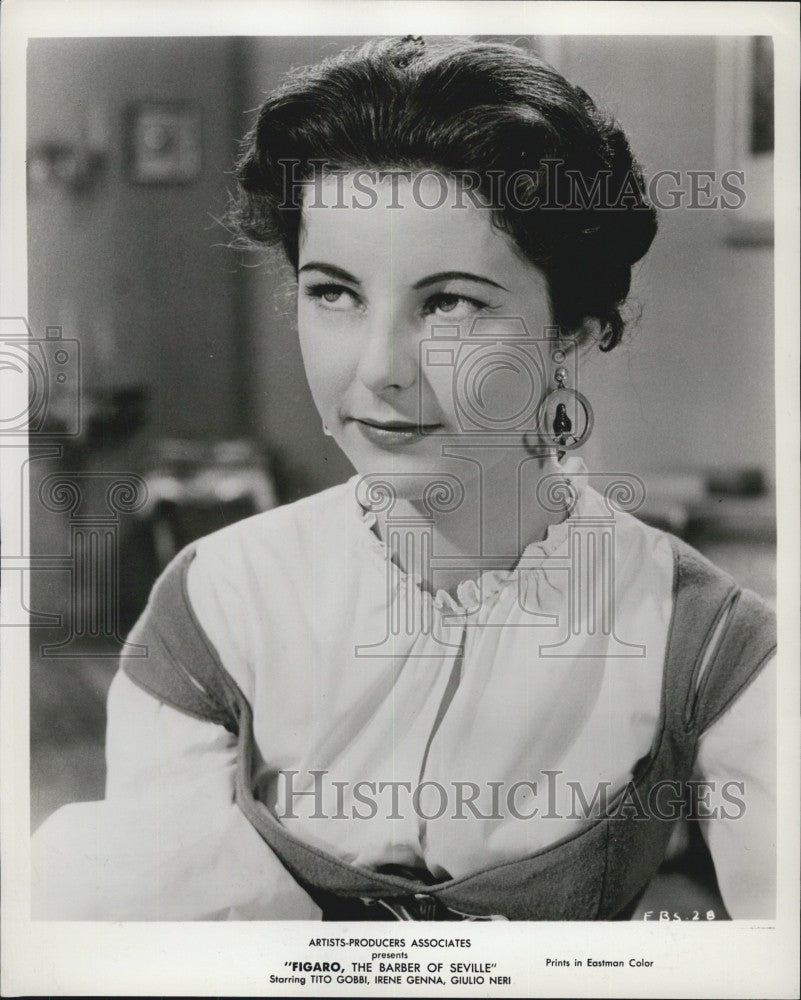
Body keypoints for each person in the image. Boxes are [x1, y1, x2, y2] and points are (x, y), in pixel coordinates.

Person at [31, 35, 776, 921]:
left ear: (571, 329)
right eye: (333, 292)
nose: (380, 366)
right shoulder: (212, 607)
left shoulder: (709, 646)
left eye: (450, 301)